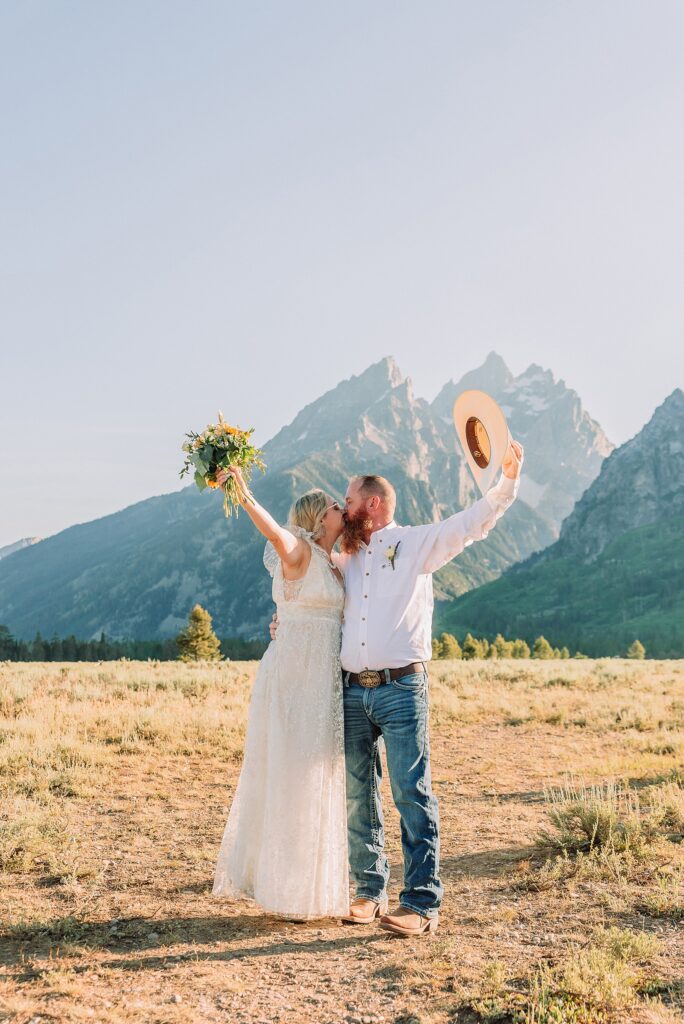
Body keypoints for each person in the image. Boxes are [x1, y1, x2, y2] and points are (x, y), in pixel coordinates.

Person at [271, 439, 524, 936]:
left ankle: (421, 902)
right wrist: (283, 622)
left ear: (373, 504)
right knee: (357, 795)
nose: (342, 508)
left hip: (401, 689)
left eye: (349, 499)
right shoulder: (341, 559)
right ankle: (369, 892)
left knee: (412, 792)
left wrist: (508, 480)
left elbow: (474, 523)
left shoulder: (414, 544)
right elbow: (308, 593)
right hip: (351, 691)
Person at [211, 465, 349, 920]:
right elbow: (273, 532)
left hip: (324, 679)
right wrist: (241, 492)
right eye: (333, 505)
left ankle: (309, 883)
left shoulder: (335, 562)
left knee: (316, 775)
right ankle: (284, 887)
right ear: (316, 517)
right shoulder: (299, 551)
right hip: (294, 676)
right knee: (291, 773)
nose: (340, 508)